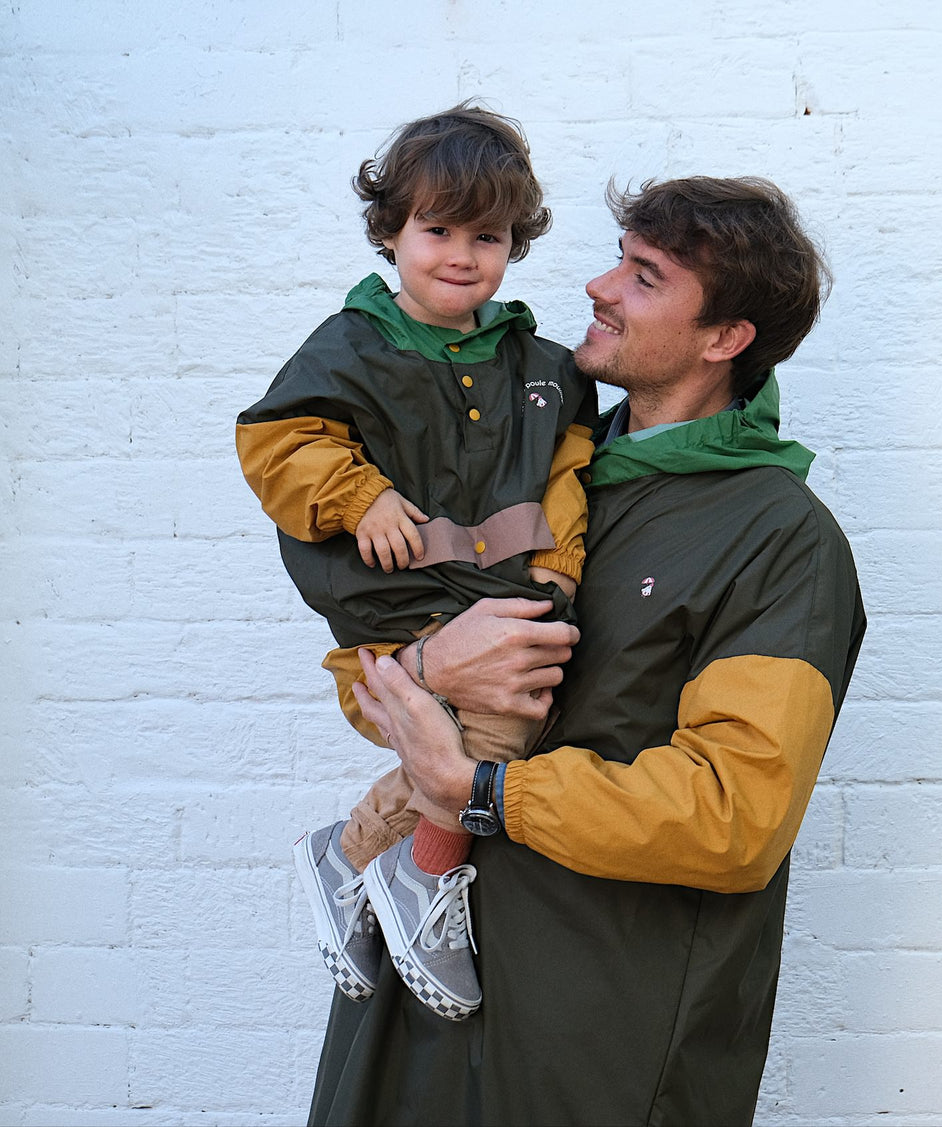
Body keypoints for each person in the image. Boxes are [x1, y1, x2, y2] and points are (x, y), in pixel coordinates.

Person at [306, 176, 867, 1126]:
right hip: (411, 1001)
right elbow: (376, 680)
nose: (600, 287)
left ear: (724, 338)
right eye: (619, 259)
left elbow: (735, 815)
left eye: (644, 277)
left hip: (593, 1040)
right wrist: (432, 671)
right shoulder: (534, 475)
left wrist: (483, 792)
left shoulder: (781, 539)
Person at [235, 104, 597, 1021]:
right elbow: (277, 443)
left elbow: (566, 468)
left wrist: (558, 564)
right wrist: (358, 496)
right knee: (501, 723)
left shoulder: (539, 366)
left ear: (515, 243)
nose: (462, 255)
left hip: (498, 590)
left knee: (520, 714)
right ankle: (422, 873)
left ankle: (354, 854)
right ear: (391, 230)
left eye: (489, 236)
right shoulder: (350, 346)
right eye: (438, 230)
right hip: (394, 606)